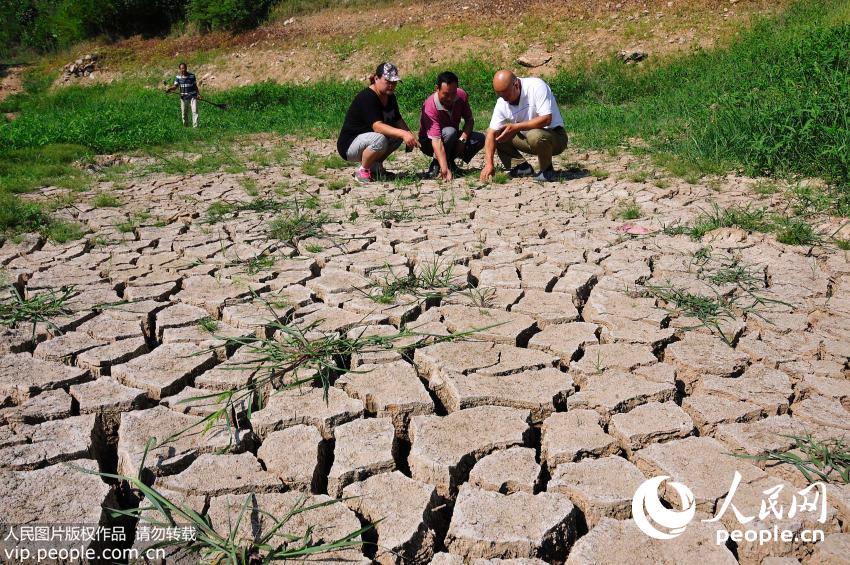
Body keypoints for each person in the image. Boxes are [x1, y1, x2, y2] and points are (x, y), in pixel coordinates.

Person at [479, 70, 568, 183]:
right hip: (528, 140)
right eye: (500, 95)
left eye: (506, 95)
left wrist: (517, 127)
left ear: (516, 85)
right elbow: (491, 132)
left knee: (534, 135)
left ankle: (547, 170)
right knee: (498, 134)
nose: (504, 99)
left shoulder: (536, 86)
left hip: (554, 138)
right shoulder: (502, 101)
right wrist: (489, 164)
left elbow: (546, 119)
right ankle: (521, 167)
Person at [337, 62, 419, 183]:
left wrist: (409, 134)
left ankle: (375, 167)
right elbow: (377, 126)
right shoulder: (367, 97)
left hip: (367, 139)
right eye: (388, 81)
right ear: (376, 78)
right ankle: (362, 171)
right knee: (380, 138)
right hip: (349, 146)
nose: (391, 85)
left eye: (394, 82)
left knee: (396, 136)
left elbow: (397, 119)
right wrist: (403, 133)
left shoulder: (390, 97)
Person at [418, 71, 485, 182]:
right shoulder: (430, 105)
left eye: (453, 94)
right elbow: (436, 140)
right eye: (446, 94)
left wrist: (462, 139)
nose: (450, 98)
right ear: (437, 89)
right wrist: (444, 169)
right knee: (450, 132)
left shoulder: (461, 95)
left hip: (452, 137)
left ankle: (450, 163)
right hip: (429, 142)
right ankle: (439, 165)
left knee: (480, 139)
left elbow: (469, 120)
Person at [166, 62, 201, 128]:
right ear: (179, 69)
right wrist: (170, 89)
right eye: (182, 68)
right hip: (184, 97)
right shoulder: (178, 77)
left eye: (184, 68)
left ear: (186, 68)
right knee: (184, 113)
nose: (183, 70)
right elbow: (175, 86)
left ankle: (195, 127)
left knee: (195, 111)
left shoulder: (192, 76)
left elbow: (195, 86)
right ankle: (186, 126)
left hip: (193, 96)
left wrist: (198, 94)